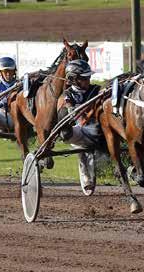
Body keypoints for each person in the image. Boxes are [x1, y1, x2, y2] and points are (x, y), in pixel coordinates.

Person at [57, 59, 103, 191]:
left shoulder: (95, 89)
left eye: (88, 77)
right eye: (84, 78)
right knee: (82, 145)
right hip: (75, 131)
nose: (88, 81)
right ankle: (85, 176)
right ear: (73, 79)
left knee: (89, 143)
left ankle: (89, 176)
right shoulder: (68, 95)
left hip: (93, 130)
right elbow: (73, 114)